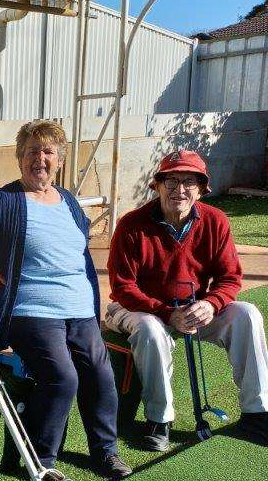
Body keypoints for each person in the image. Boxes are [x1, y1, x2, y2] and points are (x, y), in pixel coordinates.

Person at [0, 119, 133, 481]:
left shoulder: (67, 200)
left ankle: (105, 452)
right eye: (32, 151)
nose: (40, 159)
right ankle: (41, 462)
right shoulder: (4, 201)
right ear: (19, 158)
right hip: (30, 308)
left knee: (100, 374)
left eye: (48, 152)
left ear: (59, 160)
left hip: (78, 307)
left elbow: (76, 253)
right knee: (62, 378)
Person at [106, 149, 268, 450]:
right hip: (137, 308)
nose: (179, 190)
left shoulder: (215, 221)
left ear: (202, 189)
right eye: (171, 180)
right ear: (157, 185)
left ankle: (256, 413)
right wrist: (167, 313)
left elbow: (229, 278)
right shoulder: (132, 224)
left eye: (189, 182)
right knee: (152, 331)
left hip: (193, 308)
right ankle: (159, 420)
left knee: (247, 314)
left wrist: (211, 304)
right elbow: (123, 286)